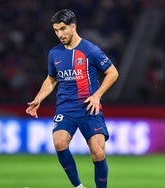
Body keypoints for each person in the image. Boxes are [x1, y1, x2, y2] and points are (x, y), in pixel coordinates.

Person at [26, 9, 119, 188]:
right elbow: (51, 78)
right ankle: (78, 187)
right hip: (65, 107)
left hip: (89, 107)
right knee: (59, 142)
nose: (59, 34)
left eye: (62, 29)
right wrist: (38, 98)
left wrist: (97, 95)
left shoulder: (90, 50)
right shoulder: (54, 53)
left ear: (73, 27)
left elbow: (112, 72)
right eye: (56, 30)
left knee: (98, 153)